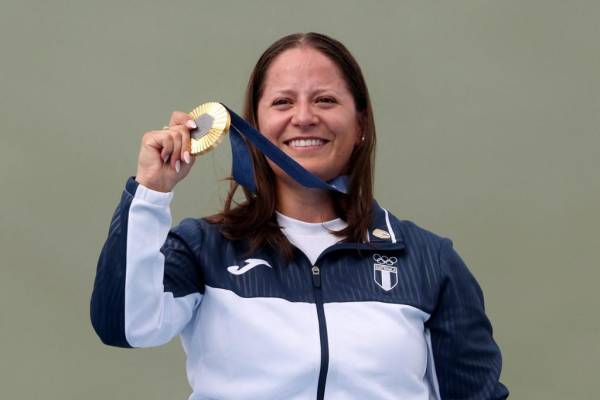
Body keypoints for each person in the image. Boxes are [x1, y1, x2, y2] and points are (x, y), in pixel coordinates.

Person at [91, 32, 509, 399]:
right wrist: (151, 191)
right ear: (254, 126)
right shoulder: (205, 249)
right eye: (282, 102)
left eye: (325, 100)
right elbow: (125, 326)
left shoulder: (428, 261)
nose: (304, 117)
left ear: (361, 123)